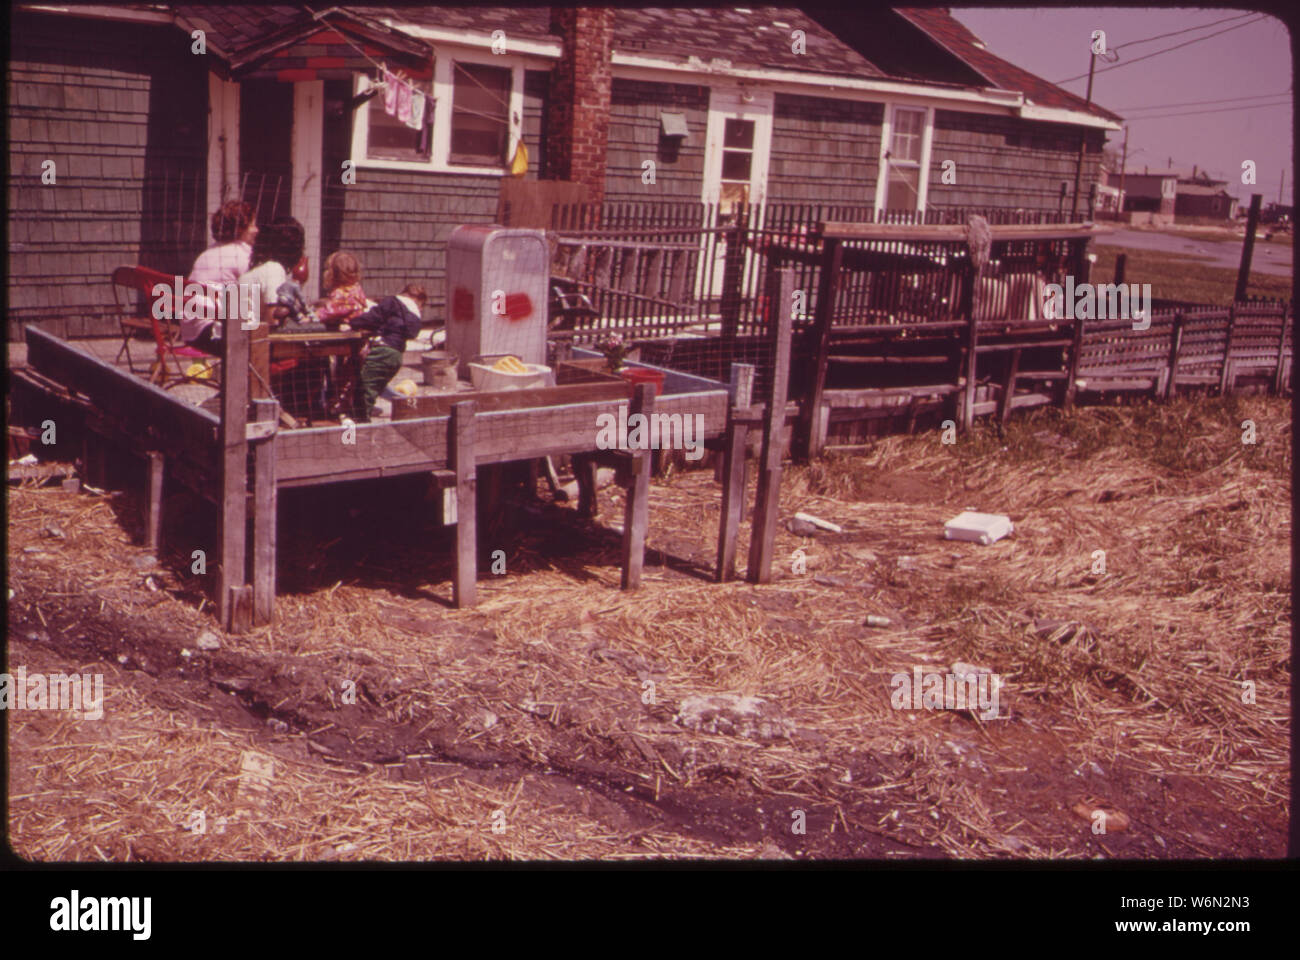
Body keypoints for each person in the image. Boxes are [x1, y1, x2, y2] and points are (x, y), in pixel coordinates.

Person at [184, 200, 258, 352]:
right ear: (241, 228)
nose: (256, 230)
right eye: (252, 225)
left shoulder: (207, 253)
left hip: (191, 331)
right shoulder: (243, 255)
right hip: (215, 333)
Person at [350, 284, 427, 421]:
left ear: (404, 293)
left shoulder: (393, 301)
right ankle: (365, 416)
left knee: (364, 390)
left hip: (382, 352)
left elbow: (373, 318)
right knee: (375, 388)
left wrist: (353, 322)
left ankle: (359, 426)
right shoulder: (413, 316)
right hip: (396, 356)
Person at [315, 252, 369, 328]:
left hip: (346, 327)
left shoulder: (340, 293)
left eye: (327, 269)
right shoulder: (356, 289)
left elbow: (331, 312)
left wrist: (314, 315)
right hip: (357, 324)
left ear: (334, 274)